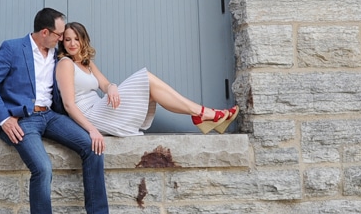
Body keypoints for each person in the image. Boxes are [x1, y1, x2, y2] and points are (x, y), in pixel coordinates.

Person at [0, 8, 124, 214]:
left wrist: (109, 87)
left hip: (51, 117)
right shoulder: (12, 49)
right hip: (23, 120)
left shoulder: (58, 56)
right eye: (59, 34)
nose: (63, 39)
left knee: (93, 147)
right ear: (44, 32)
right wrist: (4, 119)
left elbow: (89, 75)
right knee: (43, 169)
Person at [56, 21, 238, 150]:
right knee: (146, 79)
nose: (72, 43)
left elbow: (104, 84)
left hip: (98, 107)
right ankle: (203, 113)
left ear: (83, 40)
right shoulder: (65, 63)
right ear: (62, 42)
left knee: (150, 91)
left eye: (77, 39)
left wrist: (112, 87)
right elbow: (69, 105)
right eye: (68, 39)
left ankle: (200, 113)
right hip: (89, 115)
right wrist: (92, 130)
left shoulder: (86, 62)